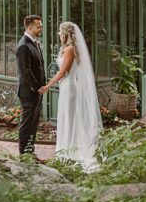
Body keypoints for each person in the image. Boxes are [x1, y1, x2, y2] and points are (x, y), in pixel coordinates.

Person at [41, 21, 102, 170]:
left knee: (70, 119)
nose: (58, 34)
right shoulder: (65, 49)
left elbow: (63, 72)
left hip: (69, 88)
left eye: (60, 32)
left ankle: (71, 153)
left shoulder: (70, 49)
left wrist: (47, 86)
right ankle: (65, 152)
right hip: (65, 87)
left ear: (66, 33)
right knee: (67, 118)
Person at [16, 14, 46, 159]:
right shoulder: (23, 45)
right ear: (29, 27)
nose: (41, 28)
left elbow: (39, 67)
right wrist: (37, 87)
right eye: (38, 26)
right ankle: (24, 155)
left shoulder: (34, 42)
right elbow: (25, 72)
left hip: (36, 92)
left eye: (41, 26)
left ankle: (30, 152)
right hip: (28, 92)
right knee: (27, 124)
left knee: (33, 123)